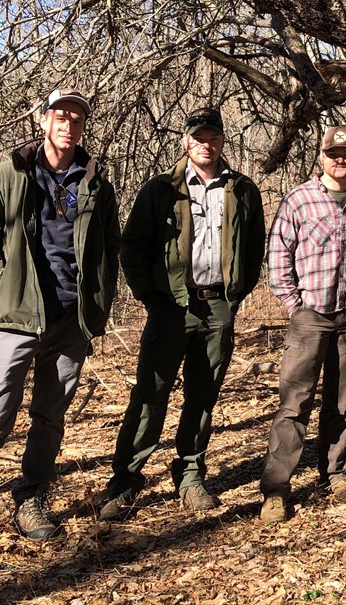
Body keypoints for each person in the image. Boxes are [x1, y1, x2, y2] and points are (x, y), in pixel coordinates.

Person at [0, 88, 120, 558]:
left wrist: (97, 307)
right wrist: (0, 283)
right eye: (60, 116)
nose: (68, 124)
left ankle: (32, 498)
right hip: (16, 317)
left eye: (77, 118)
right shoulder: (10, 174)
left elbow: (109, 249)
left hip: (70, 320)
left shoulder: (97, 183)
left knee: (50, 417)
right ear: (44, 121)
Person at [98, 106, 266, 520]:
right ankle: (126, 480)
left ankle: (190, 476)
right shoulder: (160, 189)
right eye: (199, 137)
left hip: (218, 308)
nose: (206, 144)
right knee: (151, 393)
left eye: (213, 137)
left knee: (203, 396)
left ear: (223, 141)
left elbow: (254, 248)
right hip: (171, 308)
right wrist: (151, 298)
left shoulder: (243, 189)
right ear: (186, 141)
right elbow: (132, 248)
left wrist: (235, 296)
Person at [259, 125, 346, 522]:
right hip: (310, 315)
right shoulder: (299, 199)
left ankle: (333, 472)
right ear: (321, 157)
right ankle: (276, 489)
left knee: (341, 401)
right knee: (294, 403)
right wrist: (292, 303)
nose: (340, 160)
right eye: (333, 154)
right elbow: (278, 252)